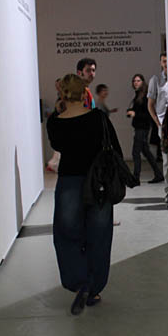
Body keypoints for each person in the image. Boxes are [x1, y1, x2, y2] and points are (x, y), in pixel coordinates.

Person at [46, 73, 123, 314]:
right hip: (99, 183)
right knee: (99, 236)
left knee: (67, 234)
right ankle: (95, 288)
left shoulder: (55, 122)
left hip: (69, 182)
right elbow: (115, 148)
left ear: (62, 93)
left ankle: (79, 281)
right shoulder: (99, 118)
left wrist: (59, 110)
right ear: (84, 93)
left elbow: (57, 145)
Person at [126, 73, 163, 183]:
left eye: (138, 80)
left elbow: (148, 114)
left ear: (143, 82)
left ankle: (136, 178)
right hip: (140, 127)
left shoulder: (145, 96)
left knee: (135, 152)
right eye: (134, 81)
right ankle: (158, 174)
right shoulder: (138, 95)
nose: (135, 83)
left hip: (142, 128)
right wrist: (131, 111)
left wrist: (135, 114)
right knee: (146, 152)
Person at [147, 52, 168, 209]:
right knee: (167, 161)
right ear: (161, 63)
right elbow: (150, 105)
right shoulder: (155, 80)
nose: (166, 64)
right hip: (163, 126)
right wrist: (158, 123)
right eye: (164, 61)